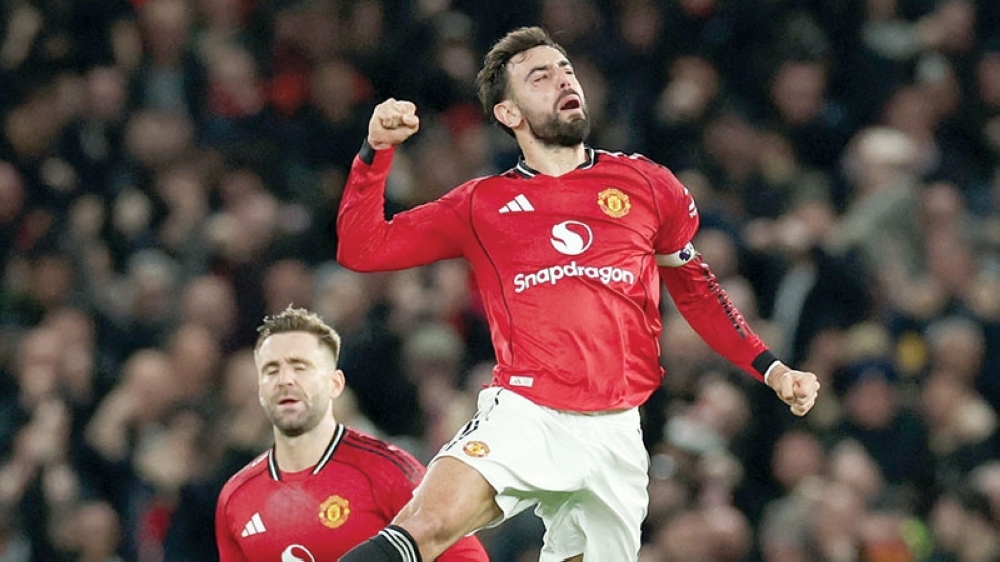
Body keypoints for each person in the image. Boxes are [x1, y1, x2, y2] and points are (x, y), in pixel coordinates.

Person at [336, 26, 821, 562]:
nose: (564, 80)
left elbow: (698, 291)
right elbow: (362, 248)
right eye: (539, 77)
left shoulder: (647, 184)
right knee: (426, 526)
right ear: (509, 113)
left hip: (617, 433)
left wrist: (772, 369)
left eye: (565, 69)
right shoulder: (482, 204)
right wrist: (376, 152)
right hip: (527, 414)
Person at [213, 306, 489, 561]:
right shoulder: (235, 497)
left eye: (300, 367)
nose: (285, 380)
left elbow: (467, 557)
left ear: (335, 384)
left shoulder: (387, 471)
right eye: (272, 370)